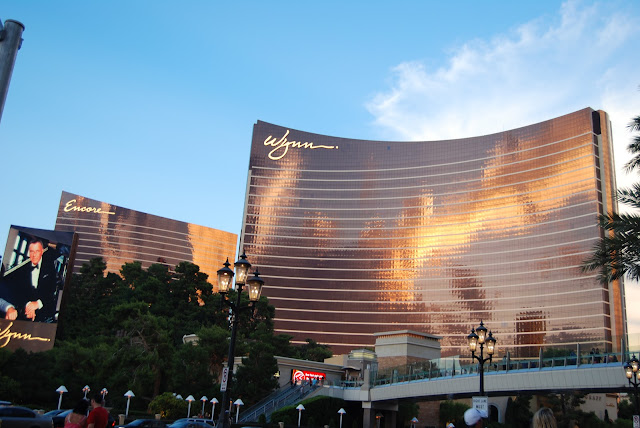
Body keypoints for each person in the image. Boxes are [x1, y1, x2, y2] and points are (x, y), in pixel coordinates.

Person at [8, 239, 60, 322]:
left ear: (42, 251)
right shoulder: (21, 270)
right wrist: (28, 305)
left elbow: (51, 291)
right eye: (32, 251)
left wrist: (38, 303)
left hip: (45, 314)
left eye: (37, 251)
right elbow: (17, 291)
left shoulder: (49, 268)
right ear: (29, 252)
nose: (34, 255)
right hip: (24, 313)